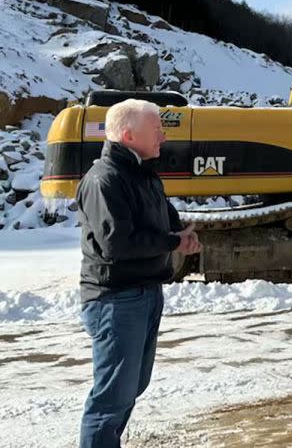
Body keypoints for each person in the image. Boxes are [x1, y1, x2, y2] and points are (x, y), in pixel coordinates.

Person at [76, 98, 201, 448]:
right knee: (111, 397)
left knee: (132, 388)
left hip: (144, 293)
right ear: (129, 135)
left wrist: (181, 236)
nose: (163, 136)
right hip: (115, 299)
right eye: (156, 129)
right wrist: (172, 242)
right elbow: (117, 243)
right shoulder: (105, 179)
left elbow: (165, 219)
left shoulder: (144, 175)